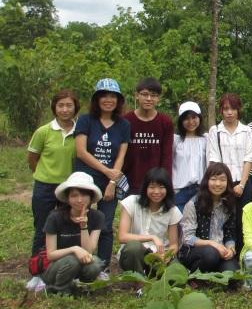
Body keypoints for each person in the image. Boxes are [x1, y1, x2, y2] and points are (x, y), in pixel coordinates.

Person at [74, 78, 130, 276]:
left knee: (105, 225)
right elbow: (81, 152)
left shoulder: (123, 125)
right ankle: (79, 263)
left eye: (113, 96)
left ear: (118, 100)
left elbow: (121, 156)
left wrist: (112, 182)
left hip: (110, 182)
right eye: (104, 95)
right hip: (85, 179)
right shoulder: (85, 120)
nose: (108, 100)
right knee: (80, 220)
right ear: (96, 99)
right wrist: (107, 172)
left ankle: (103, 267)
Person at [27, 89, 79, 261]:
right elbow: (32, 158)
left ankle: (63, 264)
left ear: (75, 107)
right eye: (61, 105)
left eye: (69, 105)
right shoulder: (44, 131)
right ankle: (37, 268)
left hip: (68, 188)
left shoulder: (80, 133)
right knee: (42, 226)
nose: (65, 109)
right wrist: (44, 174)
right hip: (44, 186)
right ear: (54, 108)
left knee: (68, 226)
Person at [207, 92, 252, 251]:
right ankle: (225, 253)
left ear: (238, 110)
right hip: (222, 183)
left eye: (233, 108)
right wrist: (223, 184)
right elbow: (213, 159)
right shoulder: (215, 131)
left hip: (242, 182)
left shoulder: (246, 130)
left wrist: (241, 184)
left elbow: (249, 158)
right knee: (225, 219)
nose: (229, 112)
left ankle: (243, 254)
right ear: (221, 110)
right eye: (226, 108)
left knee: (244, 219)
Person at [42, 172, 104, 295]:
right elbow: (51, 254)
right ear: (68, 198)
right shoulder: (55, 217)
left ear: (91, 198)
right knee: (72, 260)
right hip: (55, 268)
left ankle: (83, 287)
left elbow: (89, 251)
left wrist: (83, 227)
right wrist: (74, 249)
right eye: (74, 195)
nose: (79, 200)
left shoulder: (97, 216)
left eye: (84, 195)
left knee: (95, 262)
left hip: (80, 264)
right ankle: (59, 290)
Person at [118, 167, 182, 275]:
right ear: (145, 188)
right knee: (133, 247)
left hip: (158, 255)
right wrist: (152, 237)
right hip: (134, 255)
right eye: (152, 187)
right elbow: (122, 237)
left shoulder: (172, 210)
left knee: (178, 271)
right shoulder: (132, 202)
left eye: (161, 187)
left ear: (168, 189)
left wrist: (167, 256)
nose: (156, 192)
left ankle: (153, 274)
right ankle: (139, 284)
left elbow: (174, 245)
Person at [179, 163, 238, 274]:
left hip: (220, 251)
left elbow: (230, 233)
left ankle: (211, 272)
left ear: (228, 182)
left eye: (222, 180)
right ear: (206, 181)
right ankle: (193, 275)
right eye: (213, 179)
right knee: (211, 254)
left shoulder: (229, 204)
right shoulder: (193, 204)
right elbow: (187, 238)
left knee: (232, 273)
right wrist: (212, 244)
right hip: (194, 252)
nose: (218, 184)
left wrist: (230, 248)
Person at [122, 77, 173, 194]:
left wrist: (165, 183)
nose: (149, 99)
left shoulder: (165, 122)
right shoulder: (126, 121)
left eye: (153, 95)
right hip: (130, 182)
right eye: (145, 94)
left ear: (158, 98)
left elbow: (167, 157)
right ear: (136, 95)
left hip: (155, 185)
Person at [172, 101, 207, 212]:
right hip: (180, 191)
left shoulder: (206, 139)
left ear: (199, 118)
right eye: (186, 118)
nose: (191, 122)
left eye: (194, 117)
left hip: (201, 190)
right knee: (180, 226)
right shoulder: (175, 140)